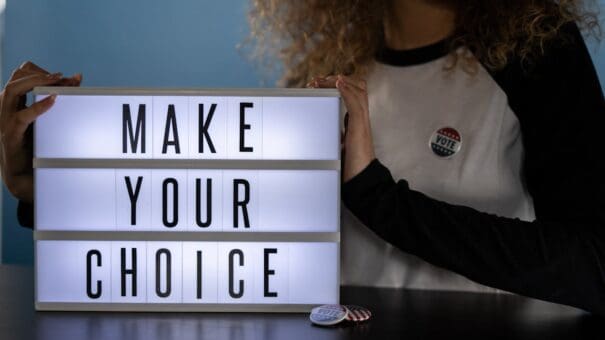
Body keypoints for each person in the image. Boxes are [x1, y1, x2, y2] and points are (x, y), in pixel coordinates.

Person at [2, 0, 605, 315]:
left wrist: (375, 195)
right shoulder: (326, 70)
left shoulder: (538, 53)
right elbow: (233, 248)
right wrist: (54, 195)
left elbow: (590, 267)